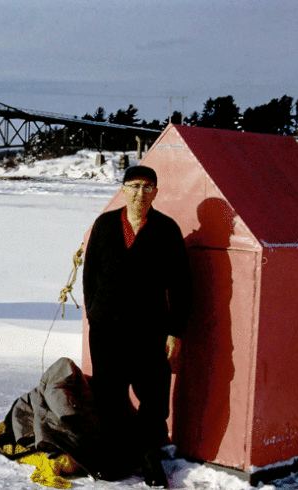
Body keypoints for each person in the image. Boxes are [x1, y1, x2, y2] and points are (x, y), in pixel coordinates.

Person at [82, 165, 191, 487]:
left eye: (146, 187)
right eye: (133, 186)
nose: (139, 193)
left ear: (155, 192)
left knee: (153, 398)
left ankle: (148, 458)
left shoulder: (166, 229)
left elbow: (182, 285)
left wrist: (176, 330)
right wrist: (94, 313)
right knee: (109, 395)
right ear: (123, 189)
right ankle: (115, 456)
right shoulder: (104, 225)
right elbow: (90, 275)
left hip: (150, 331)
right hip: (107, 330)